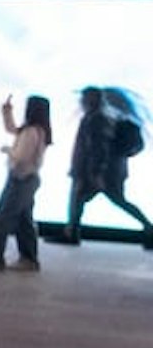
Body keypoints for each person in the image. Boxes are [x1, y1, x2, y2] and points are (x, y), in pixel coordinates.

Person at [64, 85, 152, 247]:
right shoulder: (105, 117)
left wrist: (95, 172)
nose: (81, 102)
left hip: (100, 172)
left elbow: (97, 148)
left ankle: (72, 234)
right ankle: (71, 233)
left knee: (84, 199)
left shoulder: (97, 119)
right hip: (111, 171)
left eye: (83, 98)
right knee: (85, 200)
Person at [0, 93, 51, 271]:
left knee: (1, 219)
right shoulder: (37, 130)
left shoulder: (31, 132)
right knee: (24, 221)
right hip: (28, 179)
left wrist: (8, 150)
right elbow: (12, 129)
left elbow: (22, 157)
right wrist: (7, 111)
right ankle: (29, 259)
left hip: (21, 179)